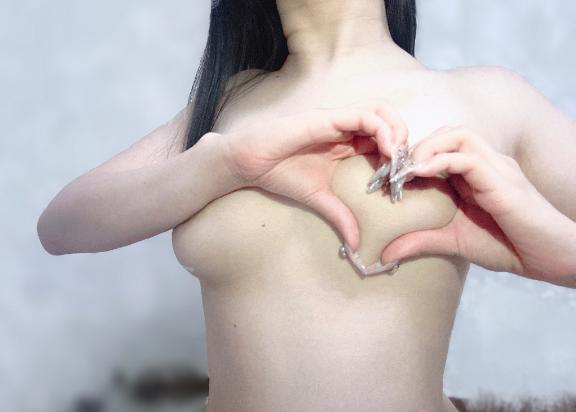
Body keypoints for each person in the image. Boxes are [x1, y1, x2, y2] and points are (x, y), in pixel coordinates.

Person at [37, 0, 576, 410]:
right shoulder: (228, 103)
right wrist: (224, 164)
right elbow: (61, 228)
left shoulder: (488, 98)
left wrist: (563, 254)